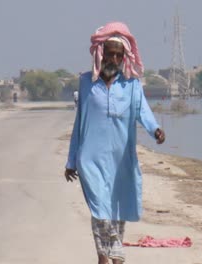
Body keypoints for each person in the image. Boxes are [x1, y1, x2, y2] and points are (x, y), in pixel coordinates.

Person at [64, 21, 165, 264]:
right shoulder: (87, 82)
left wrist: (156, 130)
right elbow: (80, 123)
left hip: (121, 161)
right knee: (100, 210)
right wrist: (71, 160)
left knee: (116, 210)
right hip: (90, 158)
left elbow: (143, 112)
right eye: (111, 53)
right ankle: (115, 250)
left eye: (120, 55)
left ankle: (105, 257)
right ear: (102, 53)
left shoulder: (131, 85)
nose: (115, 58)